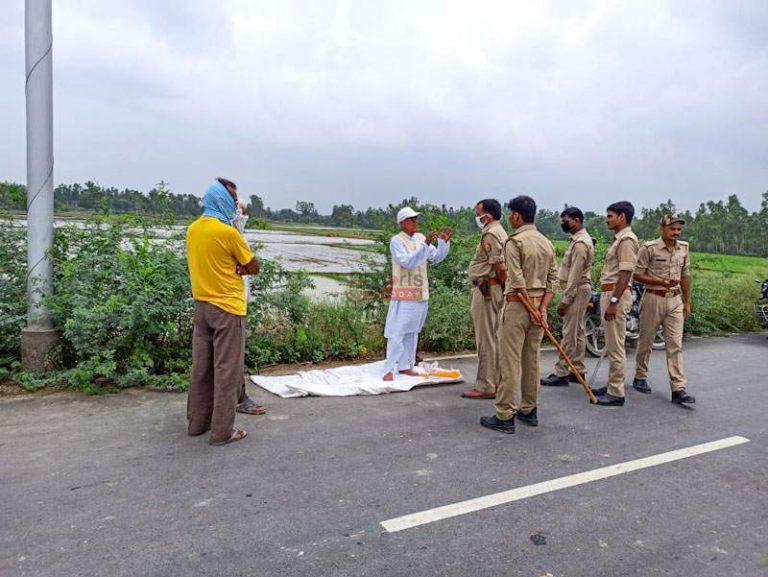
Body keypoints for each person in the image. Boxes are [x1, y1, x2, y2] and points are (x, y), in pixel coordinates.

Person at [186, 178, 261, 445]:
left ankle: (197, 424)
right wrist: (240, 267)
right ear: (223, 201)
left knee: (202, 369)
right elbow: (253, 265)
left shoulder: (193, 229)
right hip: (228, 310)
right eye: (232, 200)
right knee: (227, 371)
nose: (235, 205)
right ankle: (222, 432)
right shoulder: (228, 233)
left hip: (202, 307)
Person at [481, 196, 557, 434]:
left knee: (509, 361)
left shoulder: (515, 242)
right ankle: (529, 409)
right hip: (537, 306)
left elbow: (515, 279)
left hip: (518, 305)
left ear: (516, 215)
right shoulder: (547, 242)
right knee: (531, 360)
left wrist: (532, 308)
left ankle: (504, 414)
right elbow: (552, 281)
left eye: (511, 213)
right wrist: (542, 308)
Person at [631, 214, 695, 404]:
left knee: (675, 345)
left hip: (675, 301)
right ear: (662, 228)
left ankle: (678, 388)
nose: (676, 232)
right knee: (646, 341)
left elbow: (685, 275)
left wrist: (687, 301)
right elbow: (637, 274)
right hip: (653, 298)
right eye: (672, 229)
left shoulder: (684, 248)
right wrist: (659, 281)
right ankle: (640, 376)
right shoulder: (649, 248)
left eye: (678, 229)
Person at [383, 207, 451, 381]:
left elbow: (435, 257)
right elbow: (408, 262)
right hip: (405, 293)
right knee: (398, 332)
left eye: (416, 219)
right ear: (403, 223)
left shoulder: (421, 239)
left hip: (421, 293)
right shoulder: (396, 241)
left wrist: (443, 243)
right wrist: (425, 245)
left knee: (413, 332)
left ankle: (406, 365)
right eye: (412, 220)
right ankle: (388, 369)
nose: (416, 222)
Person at [591, 201, 640, 407]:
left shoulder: (627, 240)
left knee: (616, 344)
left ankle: (616, 392)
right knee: (611, 343)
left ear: (621, 217)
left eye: (610, 215)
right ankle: (612, 384)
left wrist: (613, 301)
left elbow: (625, 274)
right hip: (610, 292)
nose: (607, 219)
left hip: (615, 294)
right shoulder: (619, 239)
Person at [541, 207, 594, 388]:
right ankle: (577, 370)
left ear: (577, 220)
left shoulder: (580, 243)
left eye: (567, 220)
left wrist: (565, 301)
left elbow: (575, 275)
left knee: (569, 333)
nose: (564, 223)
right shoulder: (577, 240)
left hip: (577, 290)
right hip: (578, 290)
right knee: (578, 332)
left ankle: (562, 372)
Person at [462, 199, 509, 399]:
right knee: (493, 337)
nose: (476, 218)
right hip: (491, 288)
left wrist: (506, 288)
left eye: (477, 213)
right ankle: (494, 381)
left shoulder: (491, 233)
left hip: (487, 289)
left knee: (486, 338)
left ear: (486, 216)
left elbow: (500, 266)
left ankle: (486, 385)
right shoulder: (499, 231)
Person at [231, 196, 267, 416]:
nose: (242, 215)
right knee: (232, 357)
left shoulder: (224, 232)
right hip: (230, 305)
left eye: (243, 210)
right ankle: (236, 399)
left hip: (231, 302)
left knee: (229, 358)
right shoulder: (228, 234)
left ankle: (234, 397)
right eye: (238, 209)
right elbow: (251, 265)